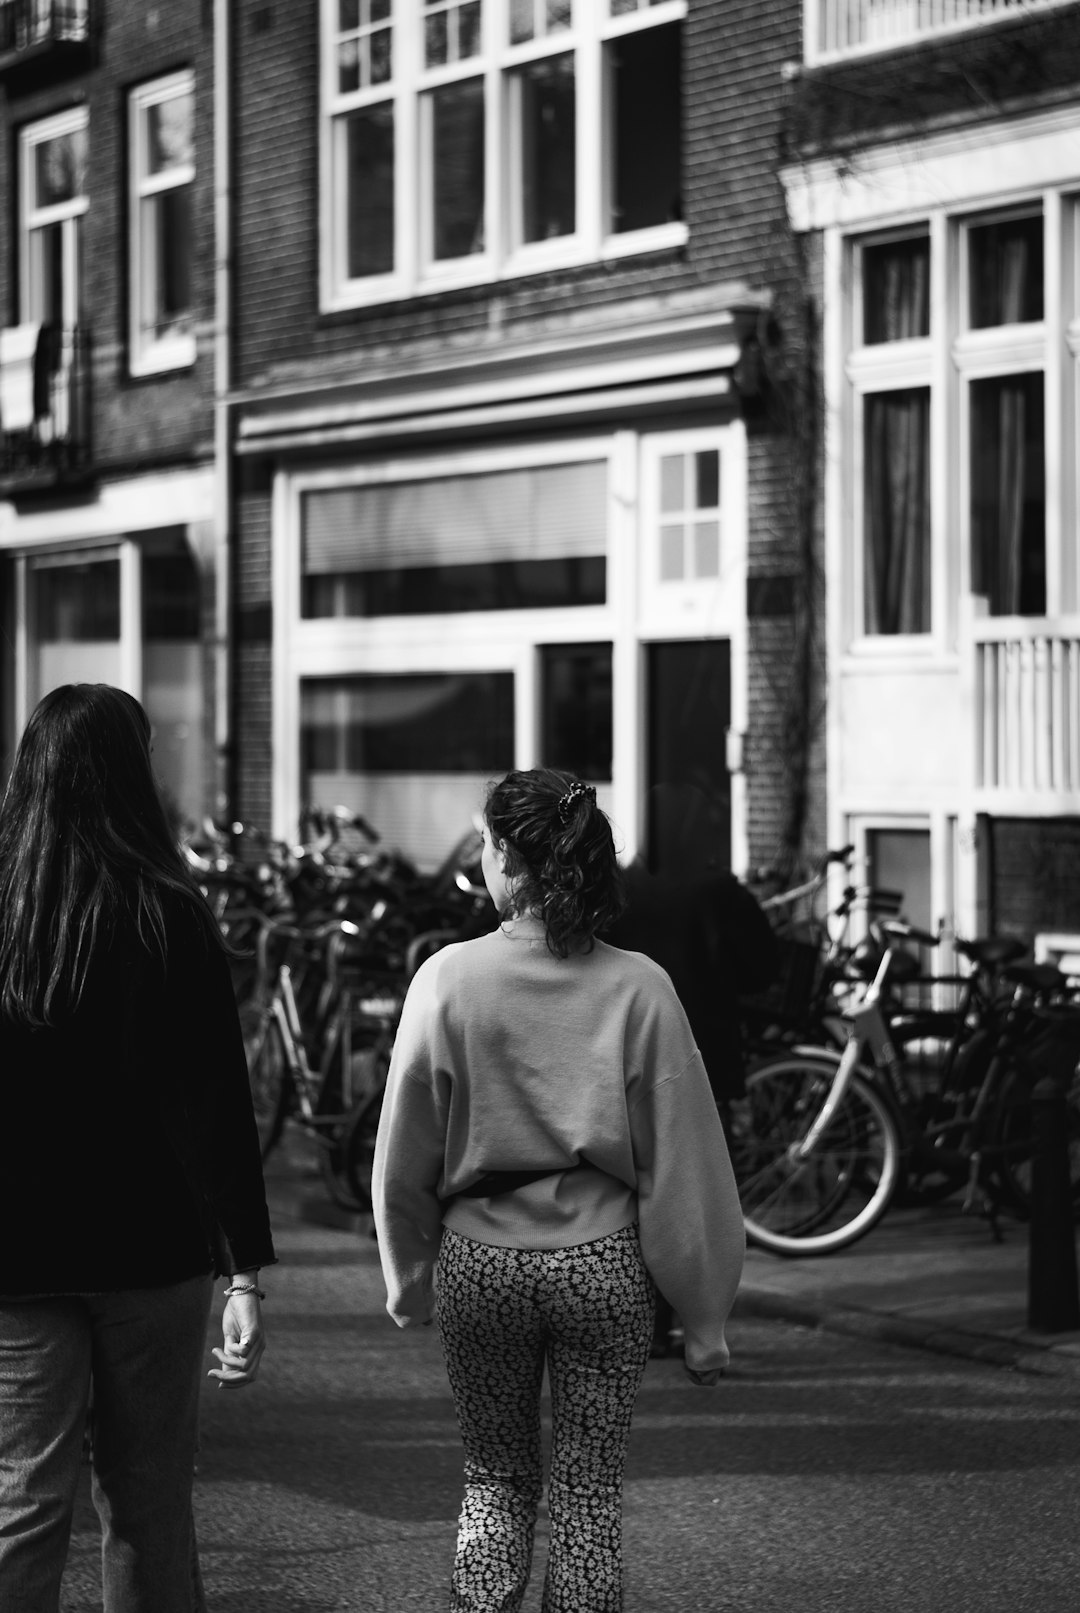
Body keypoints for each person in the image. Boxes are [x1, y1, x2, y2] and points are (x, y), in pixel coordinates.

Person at [373, 766, 745, 1613]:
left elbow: (405, 1148)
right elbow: (686, 1160)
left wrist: (409, 1274)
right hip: (602, 1263)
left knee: (495, 1475)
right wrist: (704, 1316)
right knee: (586, 1495)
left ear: (507, 854)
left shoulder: (447, 979)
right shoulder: (640, 985)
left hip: (481, 1261)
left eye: (484, 845)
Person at [0, 684, 276, 1613]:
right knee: (150, 1503)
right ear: (129, 773)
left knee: (23, 1500)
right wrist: (243, 1270)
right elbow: (214, 1107)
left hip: (16, 1248)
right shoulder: (169, 913)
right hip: (152, 1250)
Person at [604, 783, 777, 1357]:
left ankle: (644, 1321)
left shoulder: (620, 888)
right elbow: (763, 967)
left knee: (636, 1192)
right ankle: (691, 1317)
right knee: (692, 1197)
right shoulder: (718, 891)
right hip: (701, 1063)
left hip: (628, 1059)